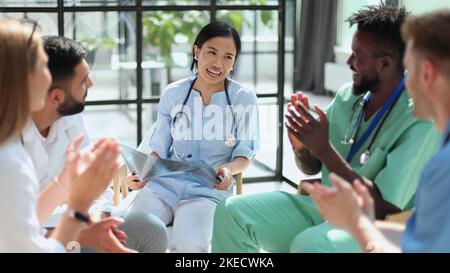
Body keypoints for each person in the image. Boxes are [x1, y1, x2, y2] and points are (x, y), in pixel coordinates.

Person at [211, 4, 440, 253]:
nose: (349, 62)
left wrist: (323, 148)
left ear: (384, 64)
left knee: (311, 245)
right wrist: (302, 147)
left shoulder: (419, 117)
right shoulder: (347, 97)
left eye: (357, 56)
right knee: (231, 213)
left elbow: (384, 207)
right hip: (323, 207)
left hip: (374, 226)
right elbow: (311, 166)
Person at [304, 9, 450, 253]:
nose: (404, 82)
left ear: (426, 74)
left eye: (408, 70)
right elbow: (417, 236)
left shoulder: (443, 167)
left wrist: (355, 222)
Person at [121, 21, 260, 252]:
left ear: (234, 61)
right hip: (163, 185)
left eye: (228, 57)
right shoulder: (173, 93)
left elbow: (244, 156)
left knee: (191, 245)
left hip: (207, 191)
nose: (218, 63)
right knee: (130, 234)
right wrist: (142, 174)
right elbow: (158, 150)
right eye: (212, 52)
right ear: (197, 52)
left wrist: (227, 171)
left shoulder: (243, 98)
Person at [22, 36, 168, 253]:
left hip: (76, 219)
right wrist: (84, 234)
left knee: (150, 229)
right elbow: (17, 233)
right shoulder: (10, 143)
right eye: (83, 81)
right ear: (56, 97)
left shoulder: (69, 115)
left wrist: (100, 221)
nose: (91, 84)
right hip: (33, 237)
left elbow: (98, 189)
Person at [0, 18, 128, 252]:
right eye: (41, 65)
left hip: (57, 230)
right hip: (51, 236)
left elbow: (28, 217)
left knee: (146, 228)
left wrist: (68, 181)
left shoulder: (9, 146)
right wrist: (78, 210)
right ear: (20, 78)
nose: (48, 76)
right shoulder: (8, 162)